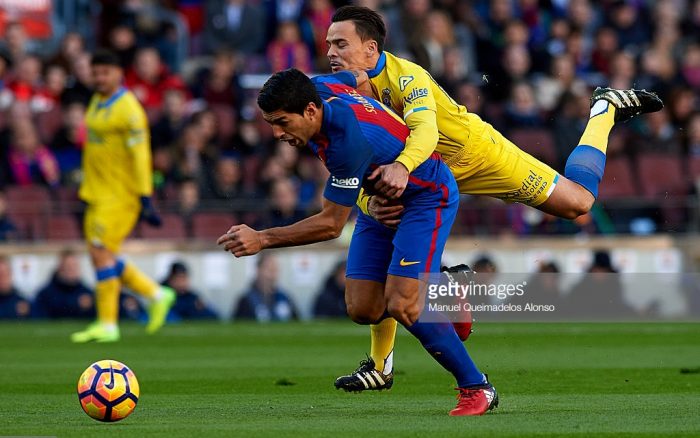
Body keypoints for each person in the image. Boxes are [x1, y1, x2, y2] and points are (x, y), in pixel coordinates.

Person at [324, 6, 664, 390]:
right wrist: (370, 202)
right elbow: (347, 167)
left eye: (341, 44)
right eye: (328, 45)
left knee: (579, 203)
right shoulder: (338, 96)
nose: (332, 53)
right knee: (383, 232)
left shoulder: (406, 76)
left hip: (478, 157)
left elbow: (425, 133)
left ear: (371, 49)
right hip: (426, 179)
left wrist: (400, 170)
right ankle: (381, 366)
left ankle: (604, 109)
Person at [217, 68, 497, 415]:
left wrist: (261, 237)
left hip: (427, 198)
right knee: (363, 308)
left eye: (282, 122)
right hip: (380, 201)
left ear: (309, 111)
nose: (276, 133)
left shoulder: (345, 143)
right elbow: (359, 77)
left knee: (403, 304)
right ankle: (435, 283)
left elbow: (331, 225)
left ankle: (476, 387)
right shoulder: (319, 86)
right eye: (271, 123)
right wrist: (385, 139)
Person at [70, 49, 175, 343]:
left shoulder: (129, 109)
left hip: (120, 195)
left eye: (105, 72)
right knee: (101, 254)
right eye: (96, 72)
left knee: (100, 250)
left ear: (119, 73)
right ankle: (156, 294)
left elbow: (140, 155)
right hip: (96, 192)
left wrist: (145, 197)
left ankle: (107, 323)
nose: (99, 78)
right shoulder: (98, 100)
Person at [233, 253, 297, 322]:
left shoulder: (284, 298)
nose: (273, 274)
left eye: (275, 269)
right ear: (258, 270)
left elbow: (297, 323)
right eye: (269, 269)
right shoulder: (246, 300)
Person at [32, 249, 95, 319]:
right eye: (68, 267)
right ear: (60, 268)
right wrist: (75, 305)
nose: (72, 270)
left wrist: (89, 308)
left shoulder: (89, 294)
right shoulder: (45, 295)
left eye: (74, 266)